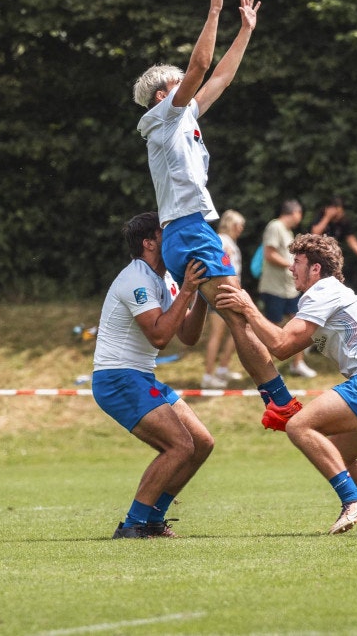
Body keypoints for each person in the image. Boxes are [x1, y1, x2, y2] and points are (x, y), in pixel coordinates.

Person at [133, 0, 298, 430]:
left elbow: (219, 77)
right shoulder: (161, 118)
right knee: (238, 309)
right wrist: (213, 13)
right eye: (179, 81)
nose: (188, 83)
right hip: (187, 228)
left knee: (234, 313)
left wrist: (244, 31)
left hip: (190, 230)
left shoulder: (182, 119)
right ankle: (280, 400)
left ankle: (279, 399)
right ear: (164, 96)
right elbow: (201, 68)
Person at [216, 233, 357, 535]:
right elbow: (284, 349)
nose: (292, 269)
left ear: (316, 269)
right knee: (338, 458)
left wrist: (248, 307)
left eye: (298, 262)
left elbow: (279, 344)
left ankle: (352, 501)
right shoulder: (331, 294)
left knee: (299, 426)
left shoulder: (323, 291)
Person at [94, 213, 216, 538]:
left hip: (141, 377)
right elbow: (160, 337)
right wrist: (189, 289)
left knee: (201, 443)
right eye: (166, 234)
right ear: (149, 242)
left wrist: (202, 295)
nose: (174, 238)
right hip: (118, 378)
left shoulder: (166, 279)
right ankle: (132, 524)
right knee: (179, 445)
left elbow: (188, 336)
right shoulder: (136, 278)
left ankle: (153, 519)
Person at [259, 200, 317, 379]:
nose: (300, 218)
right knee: (272, 329)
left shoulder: (288, 231)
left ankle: (297, 364)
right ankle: (268, 371)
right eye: (300, 214)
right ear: (295, 212)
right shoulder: (275, 226)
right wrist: (293, 265)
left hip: (289, 288)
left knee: (300, 325)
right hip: (274, 288)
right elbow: (269, 255)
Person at [202, 209, 244, 390]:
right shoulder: (220, 240)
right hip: (221, 294)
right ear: (234, 225)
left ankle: (222, 368)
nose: (242, 229)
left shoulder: (230, 242)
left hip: (231, 293)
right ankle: (208, 376)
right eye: (241, 225)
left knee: (237, 332)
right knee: (217, 335)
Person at [311, 197, 357, 278]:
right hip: (317, 255)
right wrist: (327, 217)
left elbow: (351, 239)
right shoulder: (321, 217)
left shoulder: (343, 222)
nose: (339, 215)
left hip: (332, 257)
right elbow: (314, 234)